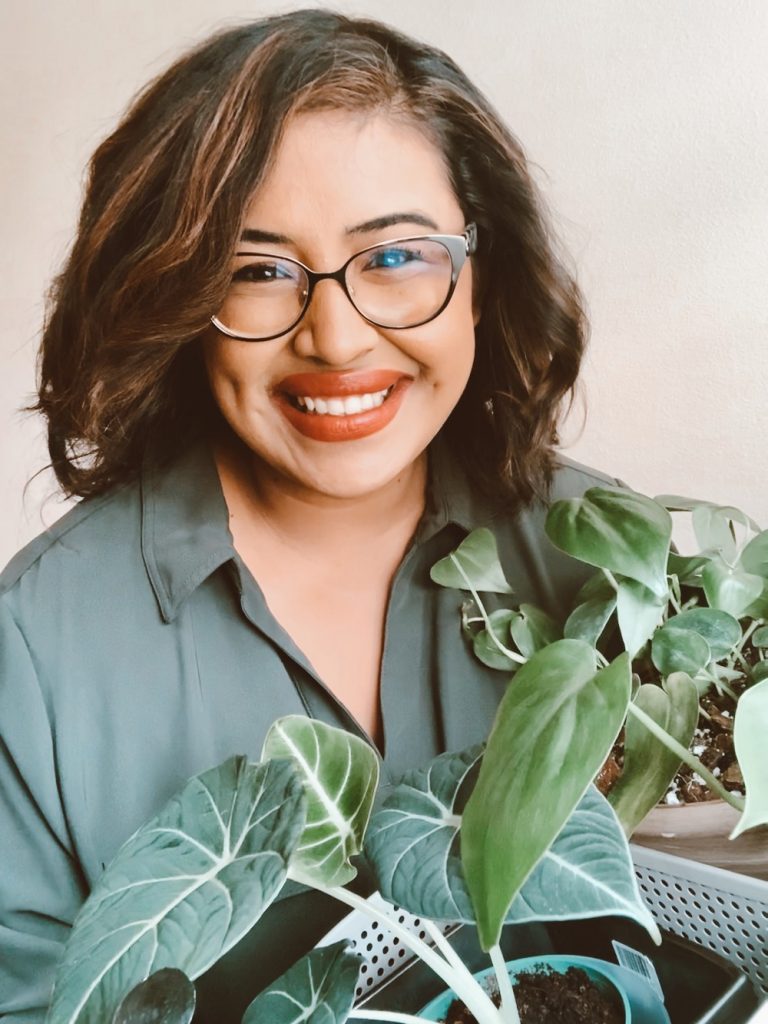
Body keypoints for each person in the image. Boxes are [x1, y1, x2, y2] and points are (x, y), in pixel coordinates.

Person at [0, 9, 620, 1020]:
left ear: (481, 277)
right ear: (172, 298)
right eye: (257, 272)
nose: (335, 339)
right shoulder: (33, 649)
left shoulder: (609, 569)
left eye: (395, 258)